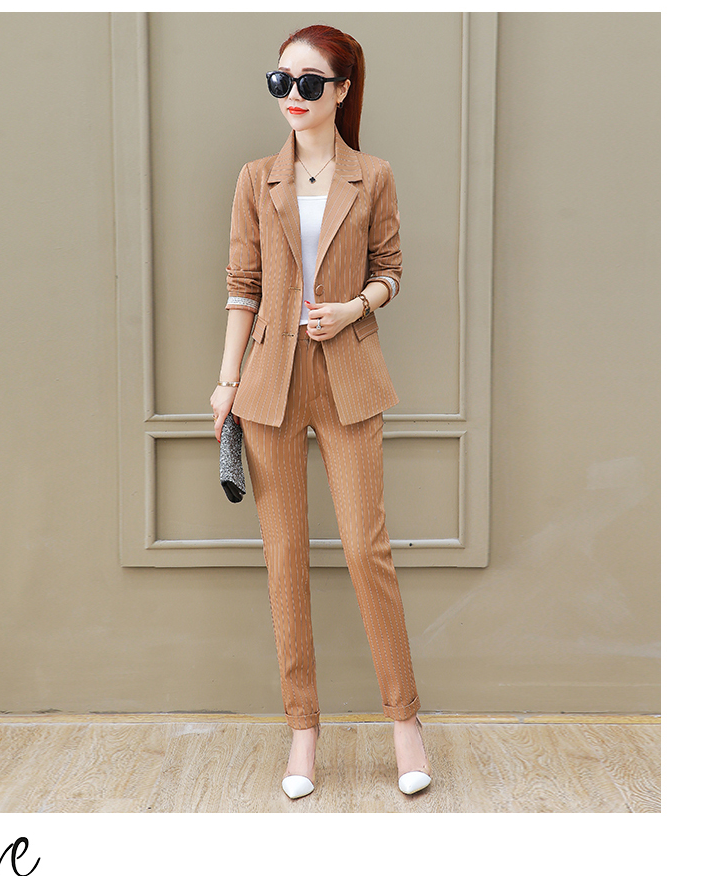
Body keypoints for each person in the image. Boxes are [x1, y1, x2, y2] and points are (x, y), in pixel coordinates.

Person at [210, 24, 431, 799]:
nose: (293, 96)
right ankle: (302, 732)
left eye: (309, 83)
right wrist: (226, 382)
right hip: (268, 381)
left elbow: (391, 272)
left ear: (342, 89)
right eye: (282, 82)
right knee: (285, 558)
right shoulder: (254, 179)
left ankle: (405, 722)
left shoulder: (374, 176)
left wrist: (352, 308)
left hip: (350, 377)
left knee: (367, 549)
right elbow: (242, 288)